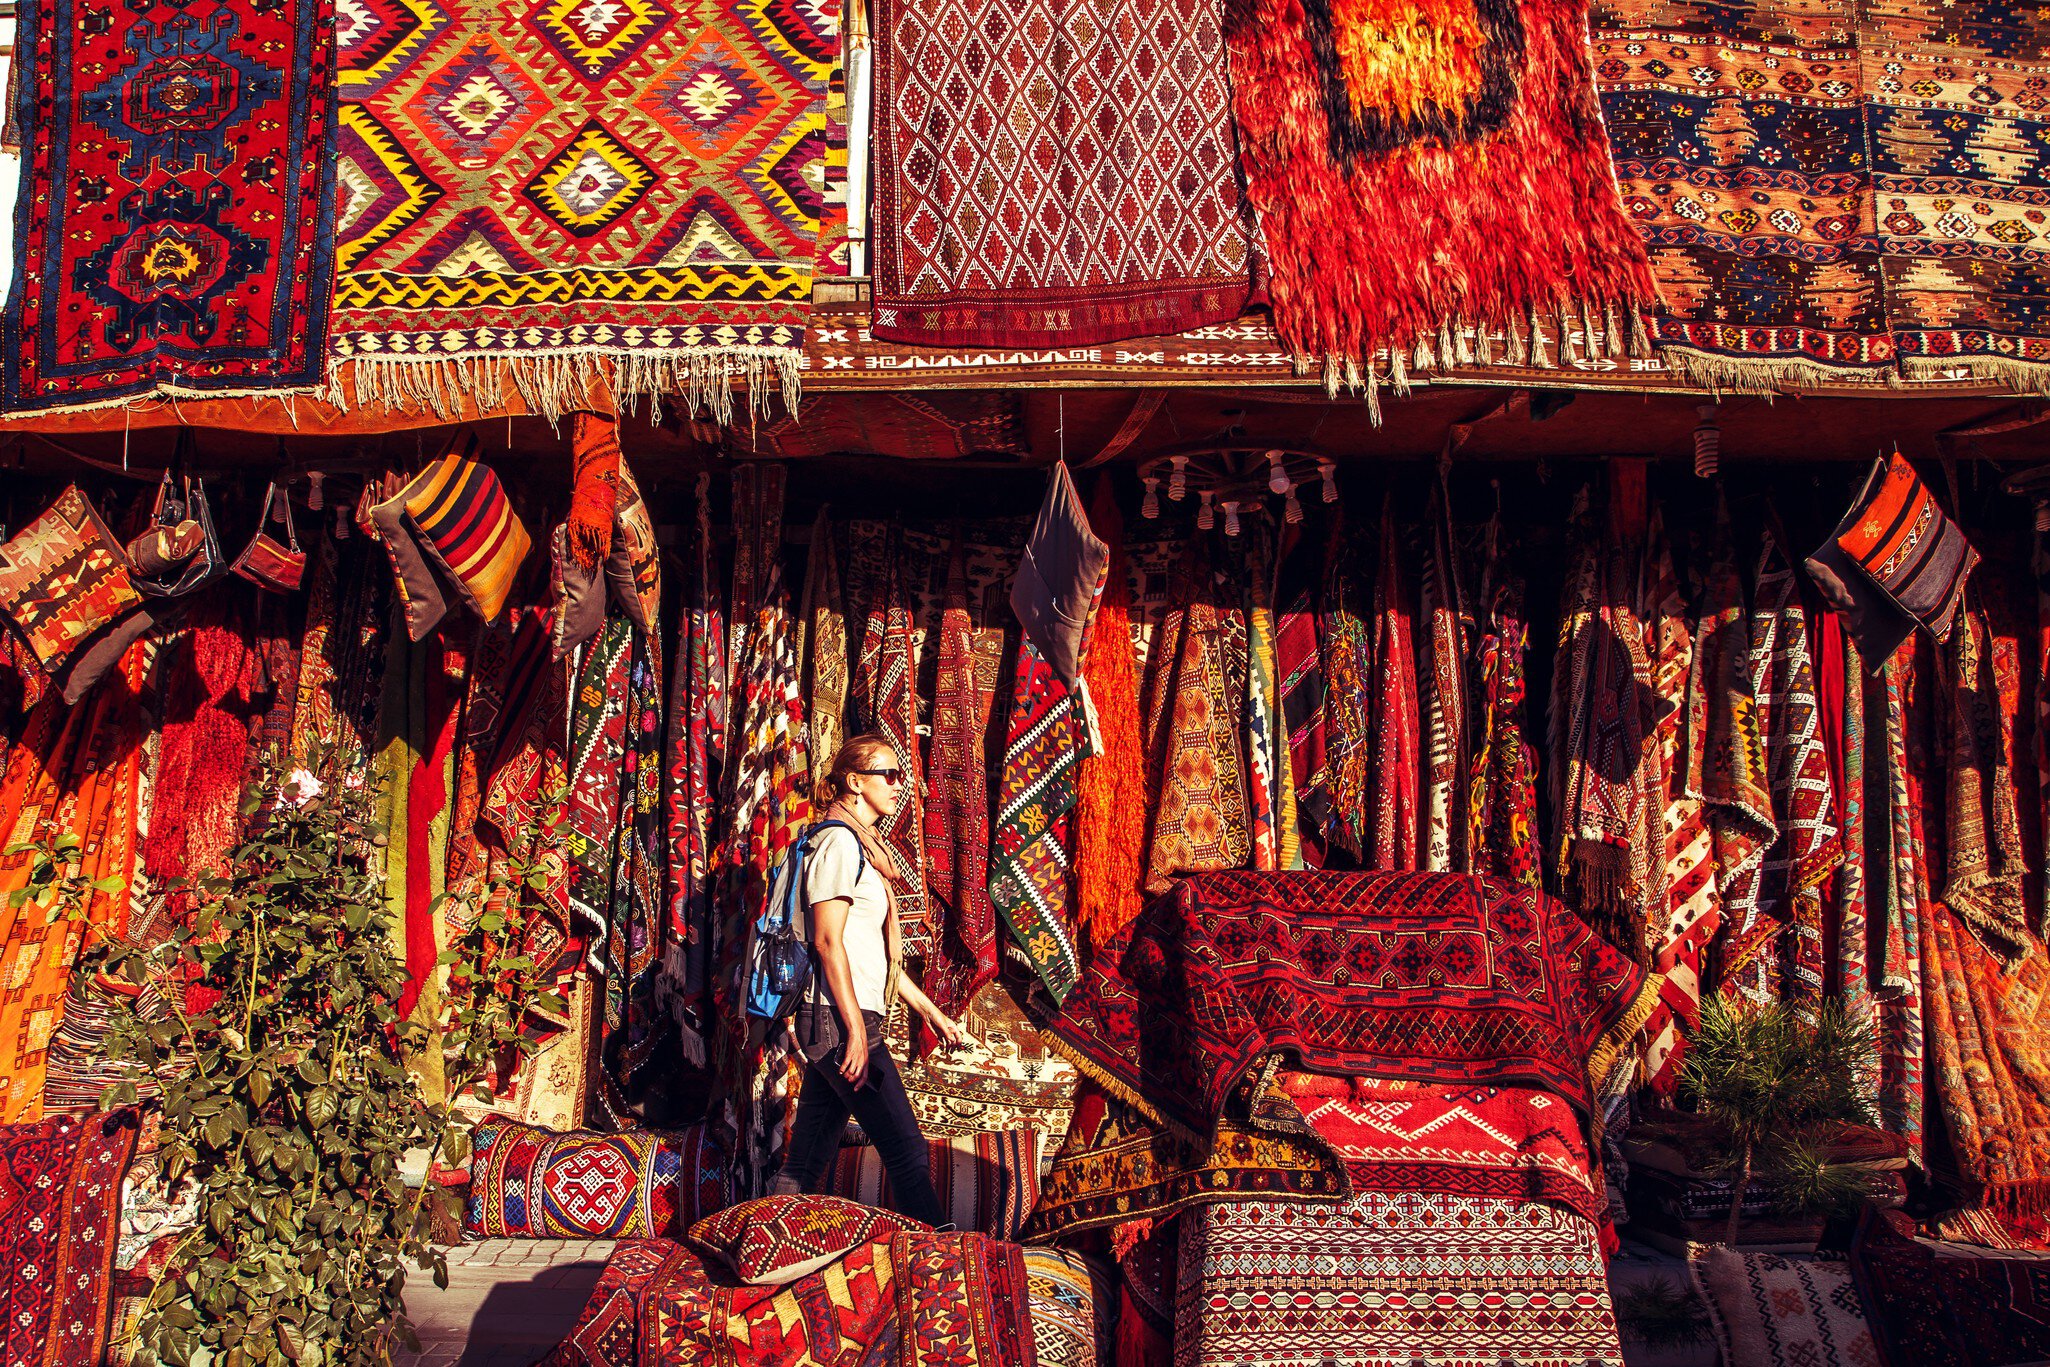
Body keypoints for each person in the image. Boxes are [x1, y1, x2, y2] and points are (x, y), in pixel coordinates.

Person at [770, 734, 968, 1226]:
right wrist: (856, 1030)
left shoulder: (859, 847)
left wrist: (933, 1013)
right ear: (855, 782)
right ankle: (941, 1261)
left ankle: (765, 1242)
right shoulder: (838, 843)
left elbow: (871, 955)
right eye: (891, 775)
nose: (900, 786)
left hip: (838, 1020)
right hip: (840, 1023)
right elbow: (827, 941)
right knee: (906, 1150)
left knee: (807, 1160)